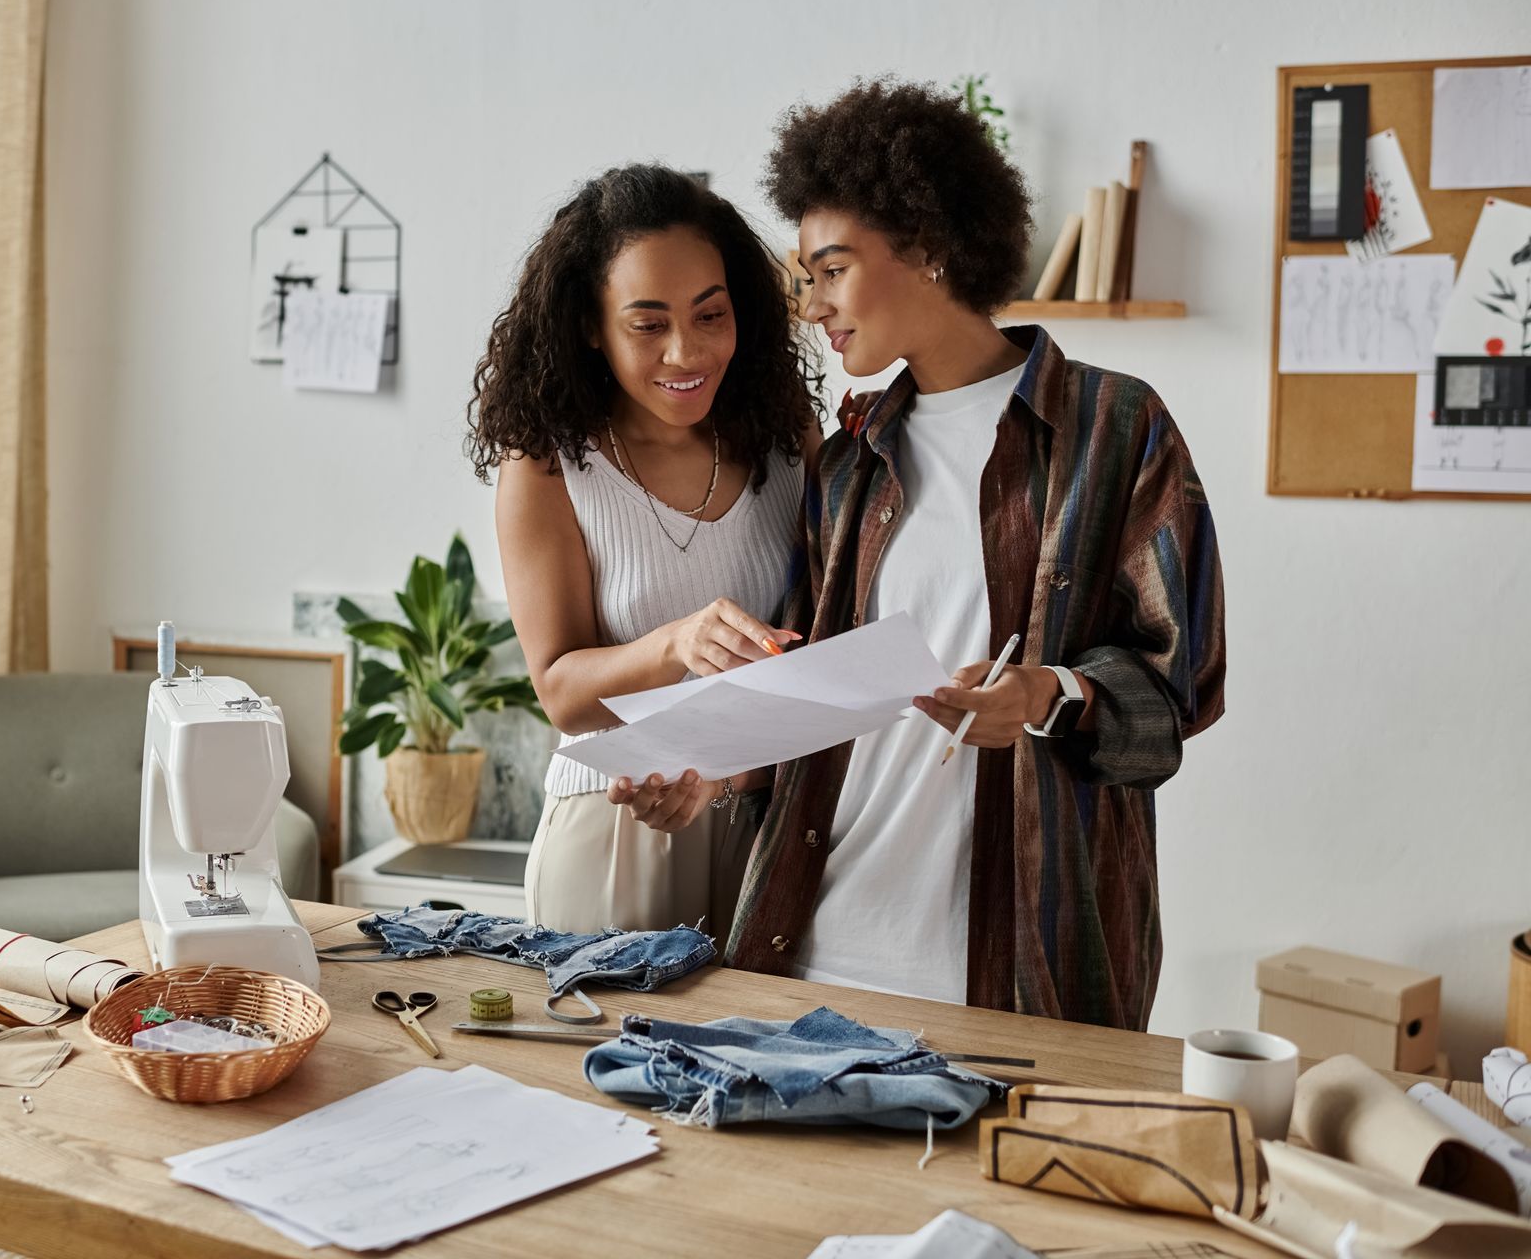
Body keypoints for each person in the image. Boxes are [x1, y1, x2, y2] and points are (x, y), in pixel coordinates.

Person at [613, 80, 1226, 1031]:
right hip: (817, 935)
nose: (812, 304)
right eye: (807, 276)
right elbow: (814, 687)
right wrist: (713, 777)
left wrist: (1047, 697)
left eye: (833, 270)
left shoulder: (1115, 427)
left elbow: (1181, 686)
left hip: (1028, 960)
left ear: (931, 247)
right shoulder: (850, 454)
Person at [468, 163, 824, 940]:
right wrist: (676, 644)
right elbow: (561, 688)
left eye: (710, 315)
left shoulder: (787, 438)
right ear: (592, 325)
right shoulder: (548, 464)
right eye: (648, 324)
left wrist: (735, 768)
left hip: (768, 820)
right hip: (614, 827)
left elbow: (824, 637)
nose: (685, 352)